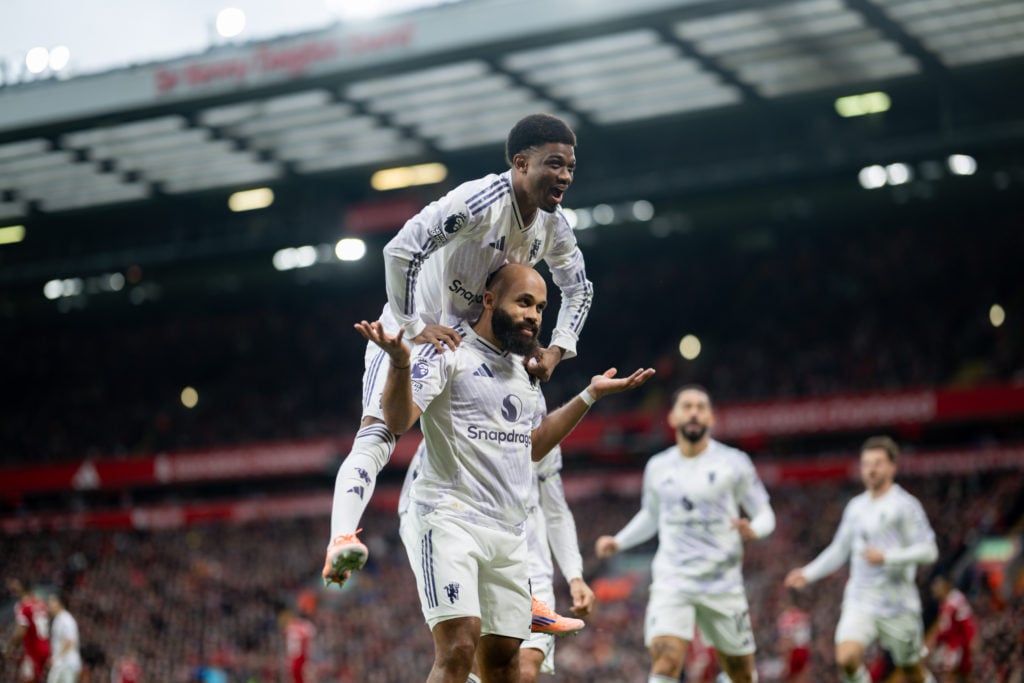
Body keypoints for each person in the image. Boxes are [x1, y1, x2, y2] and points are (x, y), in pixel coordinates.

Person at [324, 113, 593, 589]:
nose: (566, 176)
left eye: (571, 167)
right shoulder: (477, 202)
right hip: (426, 334)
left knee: (511, 450)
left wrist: (558, 348)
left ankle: (527, 589)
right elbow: (399, 251)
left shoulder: (554, 225)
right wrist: (412, 324)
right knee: (382, 431)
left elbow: (579, 289)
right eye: (555, 164)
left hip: (480, 341)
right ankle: (342, 537)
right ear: (521, 163)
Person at [358, 263, 652, 682]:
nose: (534, 315)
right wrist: (401, 364)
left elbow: (534, 445)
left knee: (503, 661)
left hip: (509, 534)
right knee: (459, 645)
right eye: (525, 302)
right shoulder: (449, 353)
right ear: (490, 300)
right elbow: (400, 419)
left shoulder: (525, 373)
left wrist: (588, 395)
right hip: (448, 519)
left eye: (542, 307)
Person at [594, 384, 776, 683]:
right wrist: (619, 541)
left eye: (701, 407)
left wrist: (754, 529)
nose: (694, 412)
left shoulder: (735, 462)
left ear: (711, 418)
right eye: (687, 406)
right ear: (672, 417)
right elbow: (651, 516)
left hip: (723, 583)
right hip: (672, 580)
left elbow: (766, 514)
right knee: (665, 661)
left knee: (742, 674)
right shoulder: (658, 466)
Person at [399, 437, 597, 681]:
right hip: (473, 556)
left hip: (530, 565)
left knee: (524, 670)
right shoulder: (451, 422)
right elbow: (411, 509)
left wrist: (575, 575)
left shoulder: (542, 431)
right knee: (467, 657)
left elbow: (557, 512)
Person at [784, 435, 939, 683]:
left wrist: (887, 557)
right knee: (846, 659)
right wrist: (808, 573)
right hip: (861, 599)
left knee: (912, 672)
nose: (871, 469)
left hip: (898, 603)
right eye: (866, 463)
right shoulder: (855, 507)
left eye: (878, 463)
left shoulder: (905, 506)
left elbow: (929, 551)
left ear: (892, 467)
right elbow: (839, 549)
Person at [928, 574, 977, 683]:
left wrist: (971, 640)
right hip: (952, 644)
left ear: (945, 586)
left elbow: (966, 622)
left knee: (951, 673)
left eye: (937, 586)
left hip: (958, 645)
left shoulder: (955, 601)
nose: (934, 589)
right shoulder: (946, 603)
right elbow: (945, 629)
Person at [5, 578, 51, 683]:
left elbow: (21, 631)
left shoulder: (23, 606)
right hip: (46, 648)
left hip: (33, 651)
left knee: (28, 680)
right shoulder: (41, 603)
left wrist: (9, 646)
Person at [776, 590, 812, 683]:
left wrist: (786, 660)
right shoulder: (803, 615)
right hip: (804, 651)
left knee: (791, 678)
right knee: (803, 677)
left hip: (793, 652)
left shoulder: (786, 617)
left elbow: (787, 641)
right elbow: (807, 639)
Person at [46, 593, 81, 683]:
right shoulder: (58, 619)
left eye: (52, 601)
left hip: (67, 664)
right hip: (61, 664)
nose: (49, 603)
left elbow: (69, 641)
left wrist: (56, 657)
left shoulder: (66, 619)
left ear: (60, 603)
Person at [279, 607, 317, 683]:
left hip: (291, 658)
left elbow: (284, 638)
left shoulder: (290, 626)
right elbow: (310, 643)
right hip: (302, 658)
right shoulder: (308, 626)